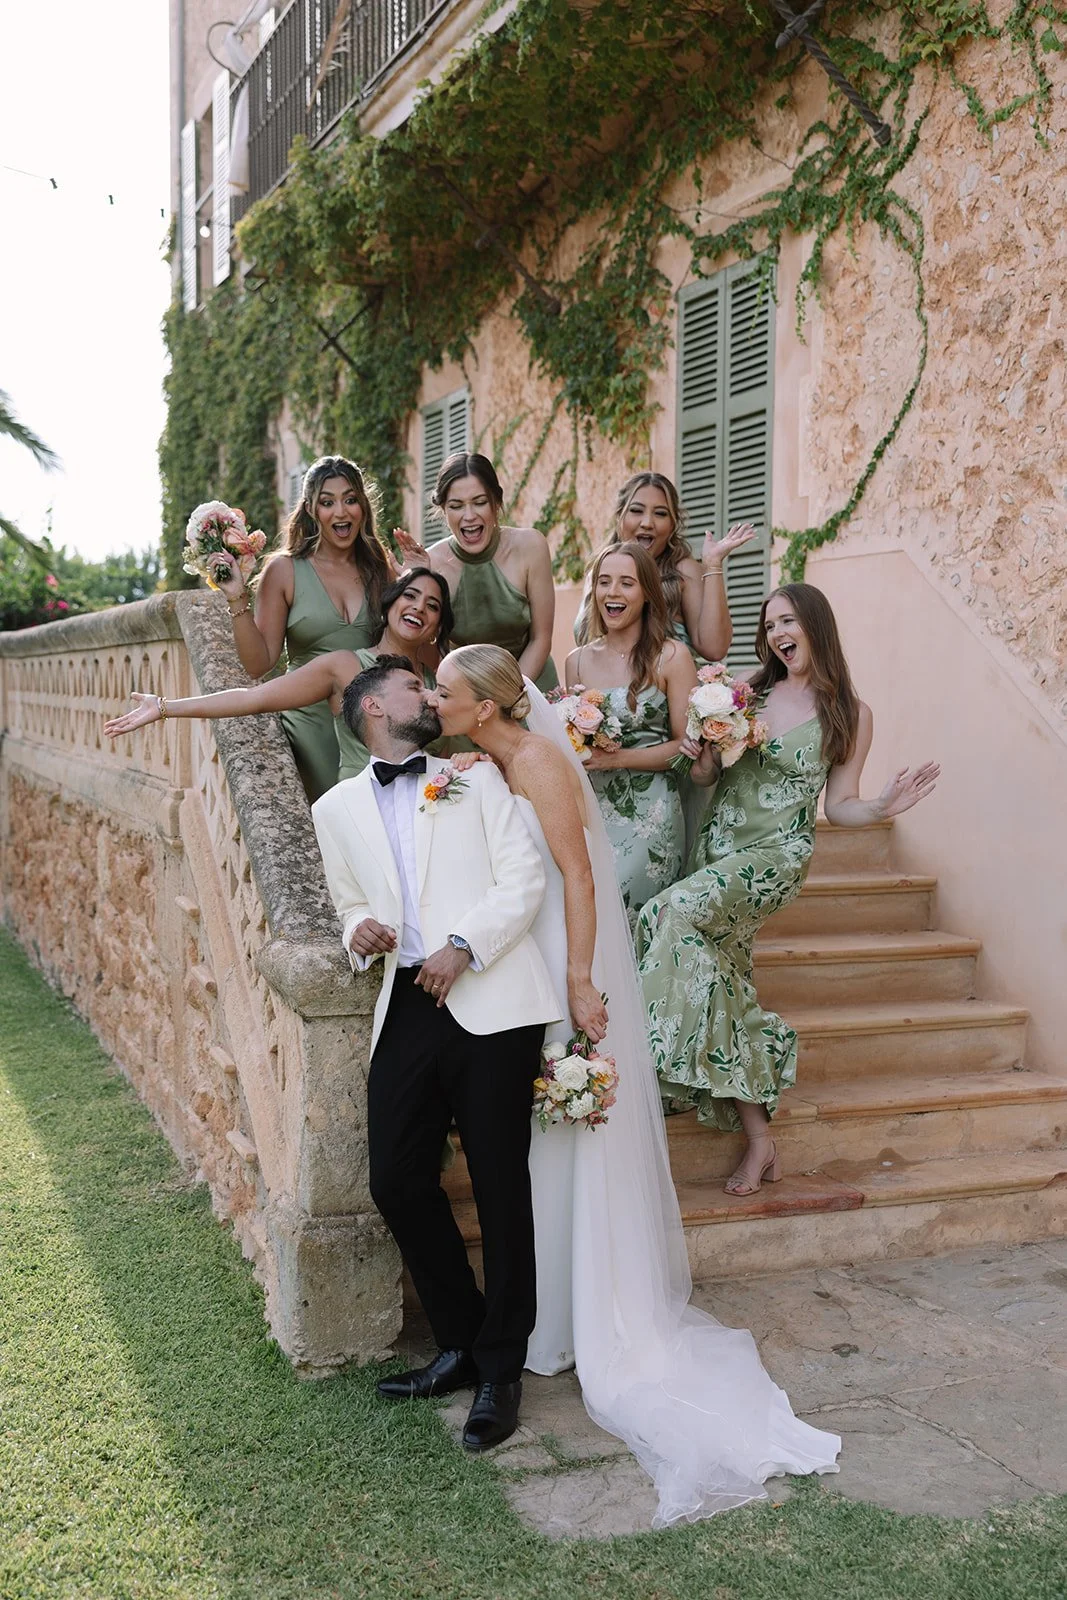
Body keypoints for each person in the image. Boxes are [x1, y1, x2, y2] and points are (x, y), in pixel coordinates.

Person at [430, 643, 842, 1522]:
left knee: (570, 1135)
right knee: (543, 1146)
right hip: (520, 958)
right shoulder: (494, 756)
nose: (434, 699)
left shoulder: (537, 759)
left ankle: (590, 1319)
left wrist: (581, 979)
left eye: (445, 691)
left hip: (559, 955)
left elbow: (580, 873)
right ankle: (549, 1320)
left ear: (487, 704)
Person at [311, 657, 563, 1452]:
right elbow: (348, 901)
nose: (427, 695)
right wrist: (359, 932)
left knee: (499, 1184)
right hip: (410, 1006)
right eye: (412, 687)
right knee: (395, 1176)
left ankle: (501, 1369)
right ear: (373, 709)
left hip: (490, 994)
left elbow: (526, 879)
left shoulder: (477, 779)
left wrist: (462, 945)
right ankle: (457, 1339)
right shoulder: (334, 808)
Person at [636, 583, 940, 1195]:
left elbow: (844, 805)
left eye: (789, 620)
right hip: (717, 846)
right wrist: (700, 752)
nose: (778, 632)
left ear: (816, 625)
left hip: (775, 857)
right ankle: (759, 1139)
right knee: (721, 978)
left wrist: (881, 804)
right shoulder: (746, 691)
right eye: (770, 623)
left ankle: (649, 1067)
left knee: (664, 914)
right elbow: (702, 775)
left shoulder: (851, 713)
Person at [102, 569, 453, 784]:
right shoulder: (343, 667)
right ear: (390, 605)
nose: (419, 607)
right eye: (410, 595)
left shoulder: (443, 683)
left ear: (437, 626)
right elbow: (255, 697)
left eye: (432, 605)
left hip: (430, 811)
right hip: (362, 809)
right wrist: (164, 707)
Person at [212, 456, 393, 802]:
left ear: (363, 507)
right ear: (311, 509)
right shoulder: (285, 569)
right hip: (307, 727)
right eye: (328, 502)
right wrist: (236, 596)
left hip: (368, 724)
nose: (341, 512)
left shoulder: (379, 568)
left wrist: (415, 579)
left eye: (350, 499)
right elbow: (258, 664)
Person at [564, 541, 696, 926]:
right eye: (604, 582)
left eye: (626, 583)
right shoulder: (578, 661)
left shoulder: (671, 657)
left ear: (647, 594)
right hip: (594, 810)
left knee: (623, 908)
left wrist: (618, 758)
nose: (613, 593)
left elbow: (683, 747)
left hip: (652, 813)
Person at [393, 452, 558, 691]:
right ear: (444, 510)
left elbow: (540, 639)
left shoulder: (531, 546)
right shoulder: (432, 563)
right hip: (468, 698)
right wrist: (419, 584)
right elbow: (429, 656)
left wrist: (510, 697)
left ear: (496, 502)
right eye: (456, 506)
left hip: (531, 685)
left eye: (479, 502)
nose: (469, 516)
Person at [573, 471, 756, 660]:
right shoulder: (597, 572)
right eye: (636, 510)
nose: (647, 523)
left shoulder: (683, 572)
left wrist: (713, 565)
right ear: (620, 516)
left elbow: (715, 649)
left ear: (672, 525)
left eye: (660, 514)